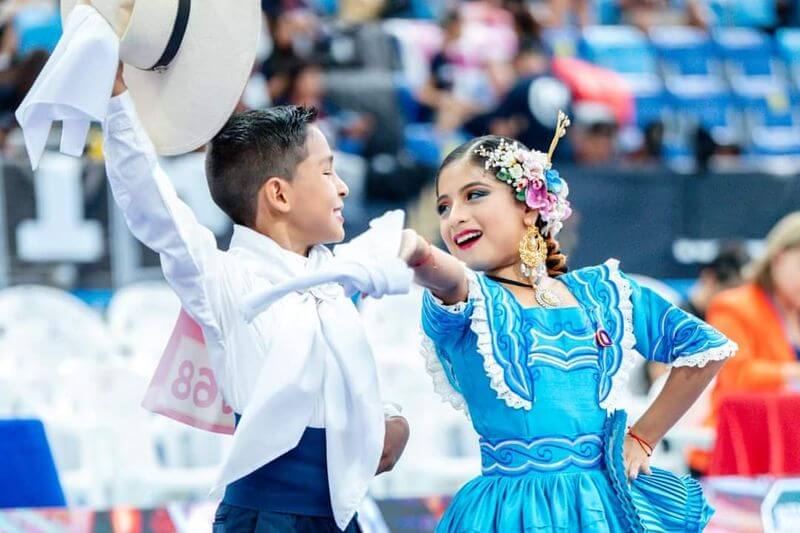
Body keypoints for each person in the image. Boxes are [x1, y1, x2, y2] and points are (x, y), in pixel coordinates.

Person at [104, 67, 409, 532]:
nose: (343, 186)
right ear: (279, 194)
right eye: (327, 170)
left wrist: (389, 418)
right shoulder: (225, 279)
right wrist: (117, 103)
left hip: (344, 517)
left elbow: (341, 382)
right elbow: (152, 206)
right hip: (265, 519)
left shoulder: (334, 279)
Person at [397, 115, 737, 531]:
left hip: (602, 509)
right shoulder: (472, 302)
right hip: (510, 514)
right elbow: (442, 272)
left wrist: (644, 436)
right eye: (444, 206)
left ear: (528, 205)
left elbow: (705, 349)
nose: (453, 217)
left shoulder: (604, 291)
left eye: (475, 195)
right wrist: (410, 248)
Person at [686, 213, 800, 475]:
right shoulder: (733, 305)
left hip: (791, 447)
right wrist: (794, 373)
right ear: (778, 258)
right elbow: (737, 376)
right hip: (738, 448)